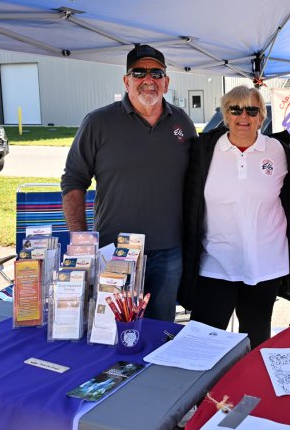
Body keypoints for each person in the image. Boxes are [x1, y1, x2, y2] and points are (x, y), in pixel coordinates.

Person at [61, 44, 197, 322]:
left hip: (169, 251)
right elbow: (73, 181)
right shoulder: (98, 122)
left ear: (166, 82)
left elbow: (196, 180)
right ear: (126, 81)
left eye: (156, 73)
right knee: (111, 329)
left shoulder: (182, 122)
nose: (148, 79)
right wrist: (82, 241)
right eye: (139, 73)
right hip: (115, 251)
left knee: (160, 328)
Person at [179, 85, 290, 348]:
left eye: (251, 110)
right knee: (203, 343)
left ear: (261, 117)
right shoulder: (204, 149)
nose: (243, 116)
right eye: (235, 110)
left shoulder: (279, 150)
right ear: (226, 115)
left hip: (266, 264)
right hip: (216, 262)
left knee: (255, 341)